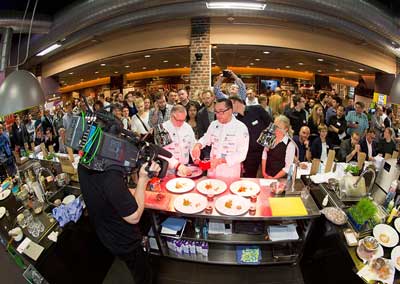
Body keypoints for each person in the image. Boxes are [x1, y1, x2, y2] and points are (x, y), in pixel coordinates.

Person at [79, 160, 160, 284]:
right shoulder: (110, 176)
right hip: (123, 239)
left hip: (105, 231)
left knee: (136, 265)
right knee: (142, 274)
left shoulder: (84, 162)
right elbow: (134, 216)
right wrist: (144, 179)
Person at [192, 98, 249, 179]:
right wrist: (198, 146)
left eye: (221, 111)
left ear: (230, 110)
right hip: (212, 169)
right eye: (216, 111)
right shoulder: (214, 124)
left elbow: (242, 154)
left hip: (229, 171)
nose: (218, 115)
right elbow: (206, 138)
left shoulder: (241, 127)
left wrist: (220, 161)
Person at [230, 95, 272, 177]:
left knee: (268, 176)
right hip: (249, 155)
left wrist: (267, 145)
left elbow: (271, 125)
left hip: (266, 151)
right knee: (249, 178)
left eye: (229, 104)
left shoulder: (257, 109)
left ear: (236, 102)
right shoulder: (237, 120)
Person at [161, 105, 196, 176]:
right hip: (169, 169)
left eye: (183, 120)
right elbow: (161, 153)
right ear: (171, 116)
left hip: (185, 166)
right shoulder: (162, 129)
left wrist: (196, 158)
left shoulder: (188, 127)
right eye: (178, 120)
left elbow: (193, 145)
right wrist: (177, 165)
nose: (181, 123)